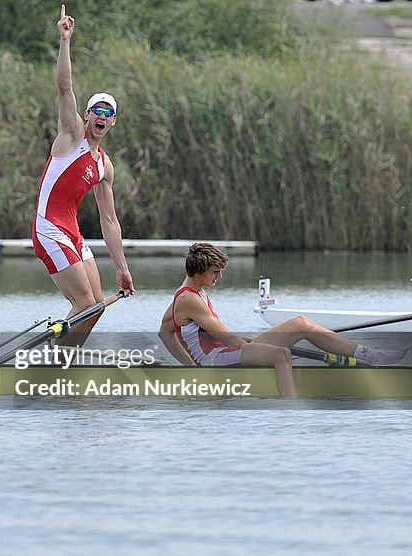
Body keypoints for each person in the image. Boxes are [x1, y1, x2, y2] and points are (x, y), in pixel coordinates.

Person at [159, 243, 408, 398]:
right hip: (215, 359)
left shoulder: (187, 290)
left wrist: (187, 363)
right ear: (199, 271)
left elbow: (164, 332)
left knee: (300, 323)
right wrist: (194, 366)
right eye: (215, 272)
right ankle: (291, 411)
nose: (220, 276)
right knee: (281, 354)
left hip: (225, 350)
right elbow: (226, 336)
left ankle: (371, 356)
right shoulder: (189, 299)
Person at [32, 5, 135, 347]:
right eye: (97, 111)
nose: (102, 117)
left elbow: (109, 220)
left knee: (96, 307)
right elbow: (64, 87)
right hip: (48, 228)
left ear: (113, 122)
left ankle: (63, 358)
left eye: (109, 113)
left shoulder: (105, 166)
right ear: (88, 115)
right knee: (85, 304)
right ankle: (56, 366)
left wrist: (121, 267)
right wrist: (65, 40)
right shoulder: (73, 133)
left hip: (73, 233)